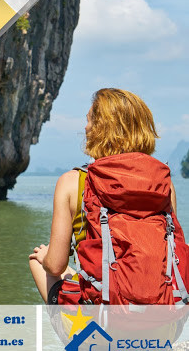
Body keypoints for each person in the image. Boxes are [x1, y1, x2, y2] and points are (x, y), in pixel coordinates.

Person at [29, 88, 179, 305]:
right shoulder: (164, 184)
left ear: (101, 129)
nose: (85, 127)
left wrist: (45, 257)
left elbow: (55, 266)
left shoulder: (73, 182)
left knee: (39, 261)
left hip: (106, 323)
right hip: (164, 323)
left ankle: (85, 338)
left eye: (89, 120)